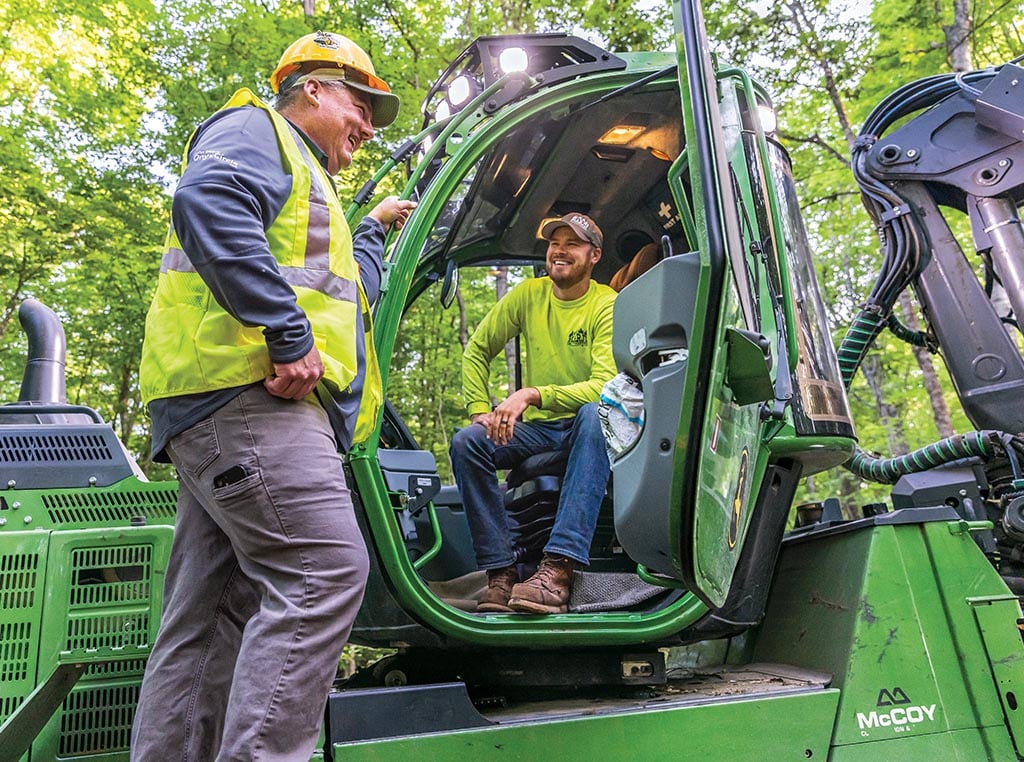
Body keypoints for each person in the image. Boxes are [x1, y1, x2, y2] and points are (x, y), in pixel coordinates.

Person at [131, 31, 415, 761]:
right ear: (313, 88)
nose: (367, 127)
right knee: (324, 570)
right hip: (253, 404)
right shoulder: (256, 128)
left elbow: (352, 295)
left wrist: (375, 230)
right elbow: (208, 199)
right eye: (362, 104)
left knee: (208, 619)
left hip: (210, 412)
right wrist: (286, 335)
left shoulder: (309, 190)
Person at [450, 212, 617, 615]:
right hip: (540, 432)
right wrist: (478, 411)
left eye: (572, 244)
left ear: (593, 255)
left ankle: (557, 569)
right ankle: (501, 573)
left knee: (597, 414)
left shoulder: (605, 304)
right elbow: (477, 349)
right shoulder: (528, 295)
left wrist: (532, 394)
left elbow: (605, 385)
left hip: (583, 429)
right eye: (554, 243)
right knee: (468, 443)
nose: (559, 251)